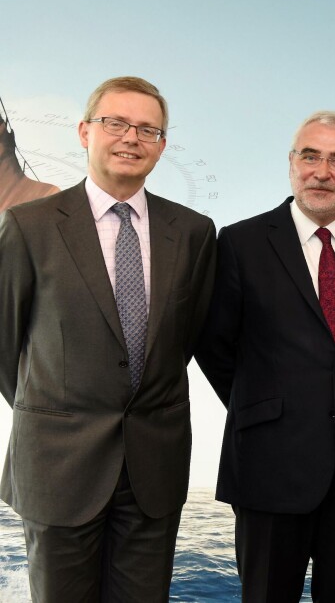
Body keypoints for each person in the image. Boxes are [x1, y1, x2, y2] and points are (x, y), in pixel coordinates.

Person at [0, 76, 216, 601]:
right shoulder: (28, 225)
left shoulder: (193, 232)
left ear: (162, 146)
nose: (131, 137)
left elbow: (184, 340)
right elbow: (5, 347)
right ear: (84, 132)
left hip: (153, 473)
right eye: (115, 122)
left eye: (147, 129)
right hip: (58, 469)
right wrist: (55, 411)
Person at [196, 111, 335, 602]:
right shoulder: (240, 242)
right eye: (310, 156)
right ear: (291, 164)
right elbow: (214, 345)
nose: (322, 171)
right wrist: (267, 405)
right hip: (268, 466)